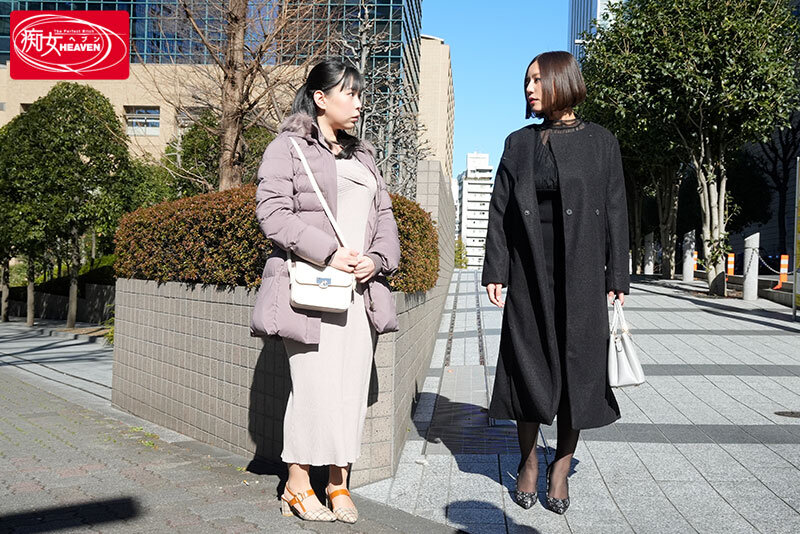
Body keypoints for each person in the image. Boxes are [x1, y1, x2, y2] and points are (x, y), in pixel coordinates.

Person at [251, 59, 401, 523]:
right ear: (320, 97)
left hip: (360, 292)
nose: (359, 103)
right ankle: (297, 485)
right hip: (313, 291)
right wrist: (329, 253)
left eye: (360, 95)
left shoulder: (365, 155)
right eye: (350, 93)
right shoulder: (288, 148)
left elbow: (385, 217)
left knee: (351, 390)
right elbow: (272, 213)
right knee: (314, 388)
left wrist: (377, 259)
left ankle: (338, 483)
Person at [482, 51, 630, 514]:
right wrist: (496, 269)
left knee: (577, 370)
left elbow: (616, 208)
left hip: (583, 272)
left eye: (537, 80)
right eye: (526, 80)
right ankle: (528, 461)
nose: (529, 88)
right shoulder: (518, 143)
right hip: (529, 270)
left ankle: (560, 467)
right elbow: (500, 210)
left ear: (562, 82)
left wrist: (617, 274)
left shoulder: (601, 141)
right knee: (527, 363)